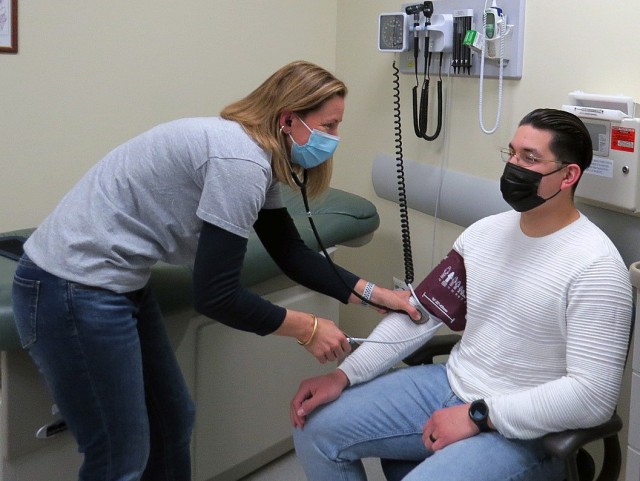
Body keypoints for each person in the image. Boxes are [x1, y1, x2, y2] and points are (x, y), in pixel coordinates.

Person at [11, 60, 420, 481]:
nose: (335, 138)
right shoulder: (239, 161)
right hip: (69, 288)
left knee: (172, 423)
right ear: (287, 120)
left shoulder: (258, 154)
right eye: (329, 126)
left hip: (116, 283)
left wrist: (378, 295)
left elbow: (290, 252)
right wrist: (308, 327)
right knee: (119, 458)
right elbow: (217, 296)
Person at [290, 108, 633, 481]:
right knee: (315, 424)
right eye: (512, 153)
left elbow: (593, 398)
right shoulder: (483, 234)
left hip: (526, 428)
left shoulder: (596, 266)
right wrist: (344, 376)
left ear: (568, 175)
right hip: (452, 383)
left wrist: (478, 415)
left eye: (530, 158)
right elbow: (418, 316)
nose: (514, 166)